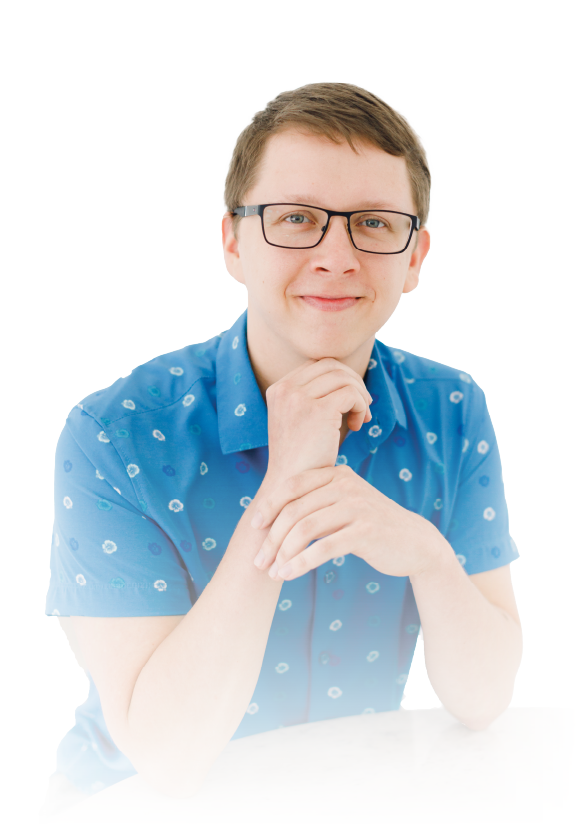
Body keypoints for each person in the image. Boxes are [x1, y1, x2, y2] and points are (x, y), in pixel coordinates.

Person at [42, 80, 523, 810]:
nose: (336, 256)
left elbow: (483, 700)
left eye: (373, 223)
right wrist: (286, 489)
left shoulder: (449, 409)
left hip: (347, 803)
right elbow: (167, 756)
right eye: (295, 219)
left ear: (415, 255)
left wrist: (424, 551)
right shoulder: (115, 433)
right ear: (233, 241)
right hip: (129, 809)